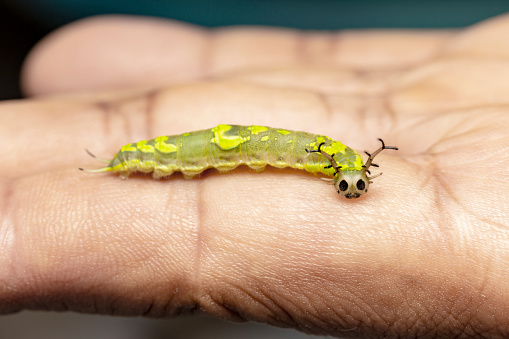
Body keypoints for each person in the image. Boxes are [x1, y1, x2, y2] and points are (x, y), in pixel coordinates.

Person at [2, 13, 509, 338]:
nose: (352, 188)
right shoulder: (326, 158)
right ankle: (135, 158)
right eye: (351, 183)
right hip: (166, 152)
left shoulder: (327, 159)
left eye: (351, 185)